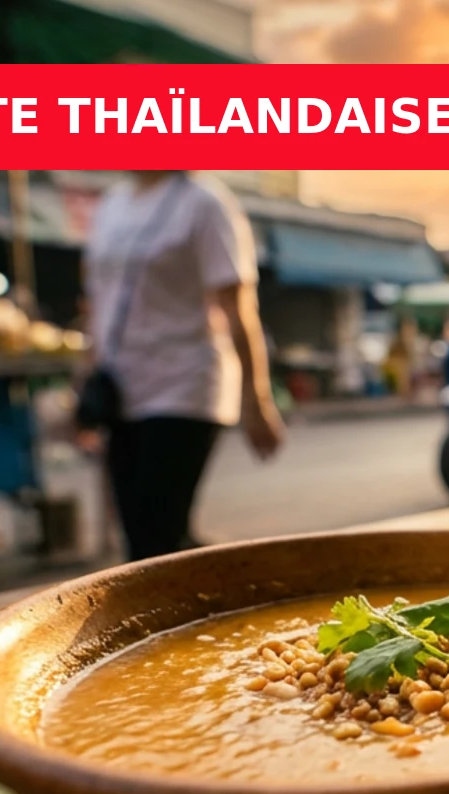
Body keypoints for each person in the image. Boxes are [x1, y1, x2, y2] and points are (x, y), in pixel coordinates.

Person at [81, 170, 285, 561]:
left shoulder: (205, 204)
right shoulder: (112, 205)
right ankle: (227, 588)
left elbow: (237, 307)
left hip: (185, 385)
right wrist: (84, 379)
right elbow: (98, 303)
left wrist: (256, 399)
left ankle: (236, 596)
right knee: (141, 539)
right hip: (122, 387)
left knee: (156, 535)